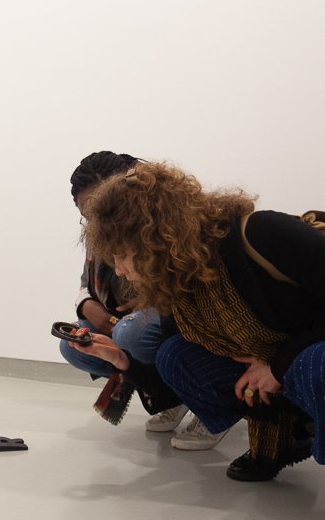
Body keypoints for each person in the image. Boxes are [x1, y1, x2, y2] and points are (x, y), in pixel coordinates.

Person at [72, 161, 325, 520]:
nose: (118, 269)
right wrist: (122, 361)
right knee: (177, 356)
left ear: (156, 240)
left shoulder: (264, 234)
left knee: (317, 365)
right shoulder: (180, 279)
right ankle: (287, 436)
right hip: (300, 353)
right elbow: (173, 382)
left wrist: (278, 364)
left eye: (122, 255)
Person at [63, 151, 229, 450]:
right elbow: (86, 284)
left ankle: (210, 404)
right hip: (123, 317)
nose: (95, 222)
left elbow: (194, 285)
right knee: (73, 344)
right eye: (87, 215)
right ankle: (174, 396)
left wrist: (147, 303)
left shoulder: (165, 223)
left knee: (131, 333)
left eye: (100, 209)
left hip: (174, 314)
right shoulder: (98, 233)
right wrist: (87, 306)